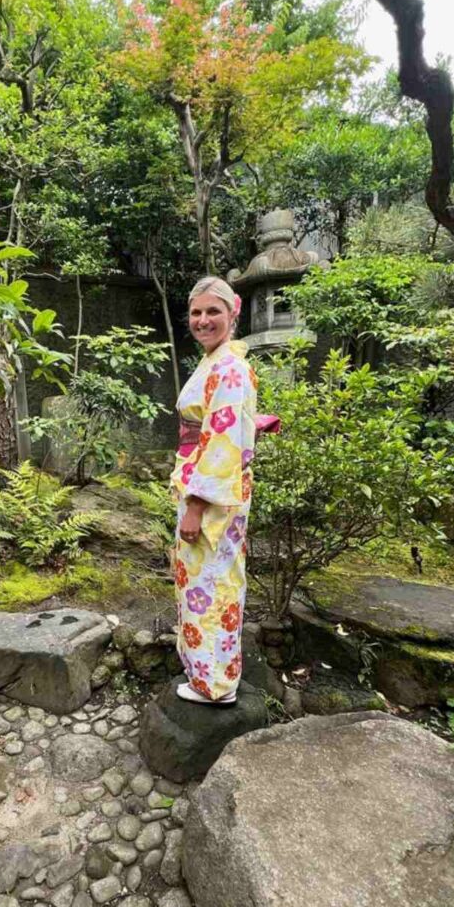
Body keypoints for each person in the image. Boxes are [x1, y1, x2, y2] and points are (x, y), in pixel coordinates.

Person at [170, 276, 278, 705]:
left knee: (211, 583)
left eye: (212, 311)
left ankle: (215, 685)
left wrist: (196, 505)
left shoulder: (229, 367)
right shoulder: (217, 361)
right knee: (205, 579)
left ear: (233, 314)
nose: (202, 320)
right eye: (196, 312)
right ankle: (206, 671)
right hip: (204, 482)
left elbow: (221, 440)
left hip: (211, 495)